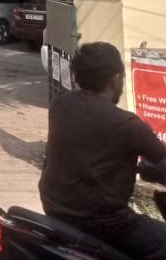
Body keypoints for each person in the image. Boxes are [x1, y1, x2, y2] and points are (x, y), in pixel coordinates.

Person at [40, 42, 166, 259]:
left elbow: (91, 154)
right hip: (104, 223)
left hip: (55, 208)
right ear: (115, 78)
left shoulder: (61, 105)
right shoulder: (127, 124)